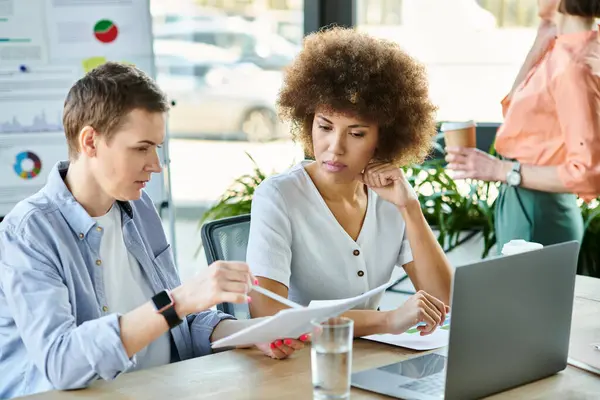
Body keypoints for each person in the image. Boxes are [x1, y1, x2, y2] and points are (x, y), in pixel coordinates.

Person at [0, 62, 304, 399]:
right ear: (90, 142)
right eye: (141, 148)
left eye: (157, 148)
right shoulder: (30, 233)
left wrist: (250, 332)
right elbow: (62, 363)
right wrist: (180, 300)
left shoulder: (139, 207)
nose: (155, 166)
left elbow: (179, 322)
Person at [246, 27, 453, 338]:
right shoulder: (279, 196)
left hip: (374, 360)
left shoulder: (390, 197)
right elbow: (267, 315)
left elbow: (445, 301)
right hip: (300, 367)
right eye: (325, 126)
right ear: (308, 121)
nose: (334, 147)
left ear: (383, 138)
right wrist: (386, 321)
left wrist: (410, 208)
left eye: (356, 134)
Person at [446, 0, 600, 252]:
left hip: (538, 210)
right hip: (525, 201)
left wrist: (499, 169)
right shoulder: (567, 46)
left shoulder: (574, 66)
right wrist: (540, 42)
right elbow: (513, 109)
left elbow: (589, 174)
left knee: (520, 291)